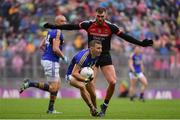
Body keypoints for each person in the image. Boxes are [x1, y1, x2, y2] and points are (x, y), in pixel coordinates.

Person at [43, 7, 153, 117]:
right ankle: (94, 110)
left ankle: (104, 106)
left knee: (113, 82)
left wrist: (141, 44)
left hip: (105, 56)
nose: (100, 19)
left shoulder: (111, 27)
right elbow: (72, 27)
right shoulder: (88, 24)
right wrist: (53, 27)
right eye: (98, 16)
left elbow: (125, 37)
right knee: (91, 88)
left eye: (102, 17)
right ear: (95, 15)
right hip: (91, 57)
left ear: (105, 16)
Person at [19, 15, 68, 114]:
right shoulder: (58, 32)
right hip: (51, 62)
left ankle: (50, 109)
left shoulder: (50, 32)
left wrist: (47, 53)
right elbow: (55, 49)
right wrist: (63, 57)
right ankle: (30, 83)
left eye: (65, 21)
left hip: (48, 60)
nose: (65, 23)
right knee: (53, 88)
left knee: (57, 85)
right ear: (57, 23)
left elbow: (41, 45)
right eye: (62, 21)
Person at [66, 40, 102, 116]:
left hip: (83, 76)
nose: (100, 50)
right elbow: (74, 73)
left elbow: (92, 66)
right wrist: (85, 80)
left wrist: (91, 76)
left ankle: (94, 112)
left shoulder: (96, 55)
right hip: (71, 76)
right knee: (82, 86)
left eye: (101, 48)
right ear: (91, 48)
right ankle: (92, 108)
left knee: (93, 94)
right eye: (98, 48)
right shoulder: (83, 57)